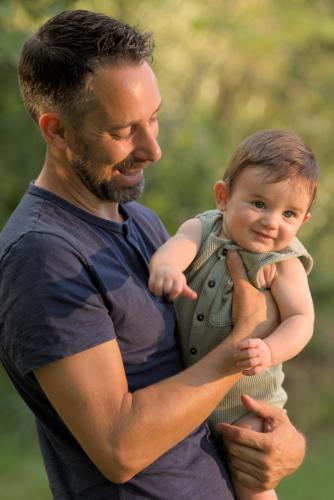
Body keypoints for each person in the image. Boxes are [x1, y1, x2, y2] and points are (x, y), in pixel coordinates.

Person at [0, 9, 306, 499]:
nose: (153, 149)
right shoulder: (43, 256)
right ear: (55, 131)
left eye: (155, 118)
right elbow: (119, 448)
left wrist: (281, 446)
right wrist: (242, 343)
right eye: (123, 132)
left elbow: (194, 377)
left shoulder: (140, 221)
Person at [149, 129, 319, 499]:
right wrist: (167, 268)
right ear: (224, 196)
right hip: (187, 390)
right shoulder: (204, 227)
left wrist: (270, 350)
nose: (272, 221)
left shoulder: (283, 260)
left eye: (288, 213)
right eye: (258, 204)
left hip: (247, 404)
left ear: (303, 220)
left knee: (252, 478)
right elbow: (178, 246)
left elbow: (301, 320)